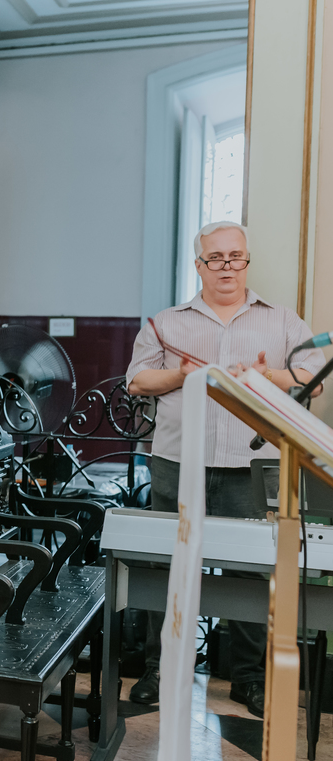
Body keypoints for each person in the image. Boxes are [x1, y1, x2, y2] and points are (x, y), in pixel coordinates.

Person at [126, 220, 325, 718]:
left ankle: (248, 679)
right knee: (166, 567)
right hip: (177, 462)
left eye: (236, 257)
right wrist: (181, 374)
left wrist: (266, 375)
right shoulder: (166, 322)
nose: (227, 267)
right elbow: (136, 380)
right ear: (199, 265)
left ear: (247, 261)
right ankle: (159, 669)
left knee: (253, 573)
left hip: (253, 466)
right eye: (215, 258)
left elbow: (312, 379)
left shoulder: (280, 320)